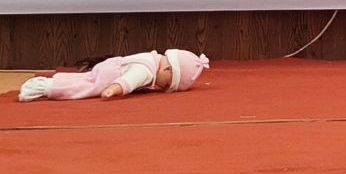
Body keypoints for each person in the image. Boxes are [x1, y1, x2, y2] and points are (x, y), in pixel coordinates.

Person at [18, 48, 209, 101]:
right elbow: (130, 80)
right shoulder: (146, 71)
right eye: (167, 84)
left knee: (85, 78)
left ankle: (54, 80)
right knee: (87, 87)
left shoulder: (151, 58)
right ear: (168, 70)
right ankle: (47, 88)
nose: (162, 87)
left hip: (111, 65)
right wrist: (114, 89)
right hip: (111, 76)